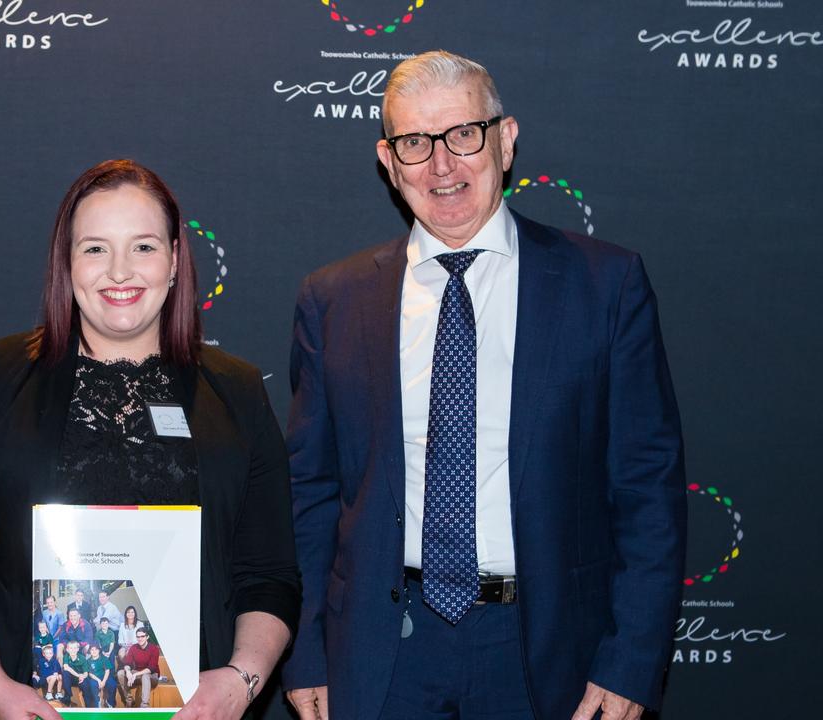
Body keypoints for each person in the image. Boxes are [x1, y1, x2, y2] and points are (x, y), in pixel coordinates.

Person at [281, 51, 686, 720]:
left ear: (505, 139)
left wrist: (632, 663)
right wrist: (307, 652)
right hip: (380, 656)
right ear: (389, 160)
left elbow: (648, 492)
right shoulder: (334, 300)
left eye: (464, 134)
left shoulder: (605, 287)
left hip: (549, 657)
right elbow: (310, 499)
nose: (442, 165)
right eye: (416, 143)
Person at [0, 159, 301, 720]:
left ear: (174, 262)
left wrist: (241, 680)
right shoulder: (3, 376)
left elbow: (269, 574)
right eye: (95, 248)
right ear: (66, 265)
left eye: (143, 247)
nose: (120, 271)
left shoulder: (237, 392)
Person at [119, 626, 163, 709]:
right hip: (137, 674)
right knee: (120, 673)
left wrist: (136, 674)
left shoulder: (154, 649)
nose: (140, 639)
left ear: (147, 637)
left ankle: (144, 706)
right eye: (138, 637)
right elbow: (127, 663)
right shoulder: (134, 647)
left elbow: (151, 668)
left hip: (152, 676)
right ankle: (129, 700)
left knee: (145, 675)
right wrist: (128, 671)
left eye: (142, 636)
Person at [84, 643, 118, 708]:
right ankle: (97, 702)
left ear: (99, 650)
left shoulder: (104, 658)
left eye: (96, 650)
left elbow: (107, 671)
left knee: (113, 684)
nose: (94, 651)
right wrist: (99, 680)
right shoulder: (88, 661)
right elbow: (90, 674)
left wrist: (104, 681)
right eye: (92, 650)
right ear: (90, 651)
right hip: (95, 678)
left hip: (105, 676)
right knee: (92, 685)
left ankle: (110, 702)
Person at [60, 640, 89, 707]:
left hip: (81, 679)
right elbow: (66, 667)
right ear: (67, 650)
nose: (73, 650)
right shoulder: (66, 656)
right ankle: (68, 697)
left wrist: (82, 677)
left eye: (75, 648)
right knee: (65, 673)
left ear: (78, 649)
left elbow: (86, 673)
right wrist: (78, 675)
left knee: (86, 684)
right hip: (72, 679)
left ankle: (88, 704)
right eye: (71, 648)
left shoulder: (82, 658)